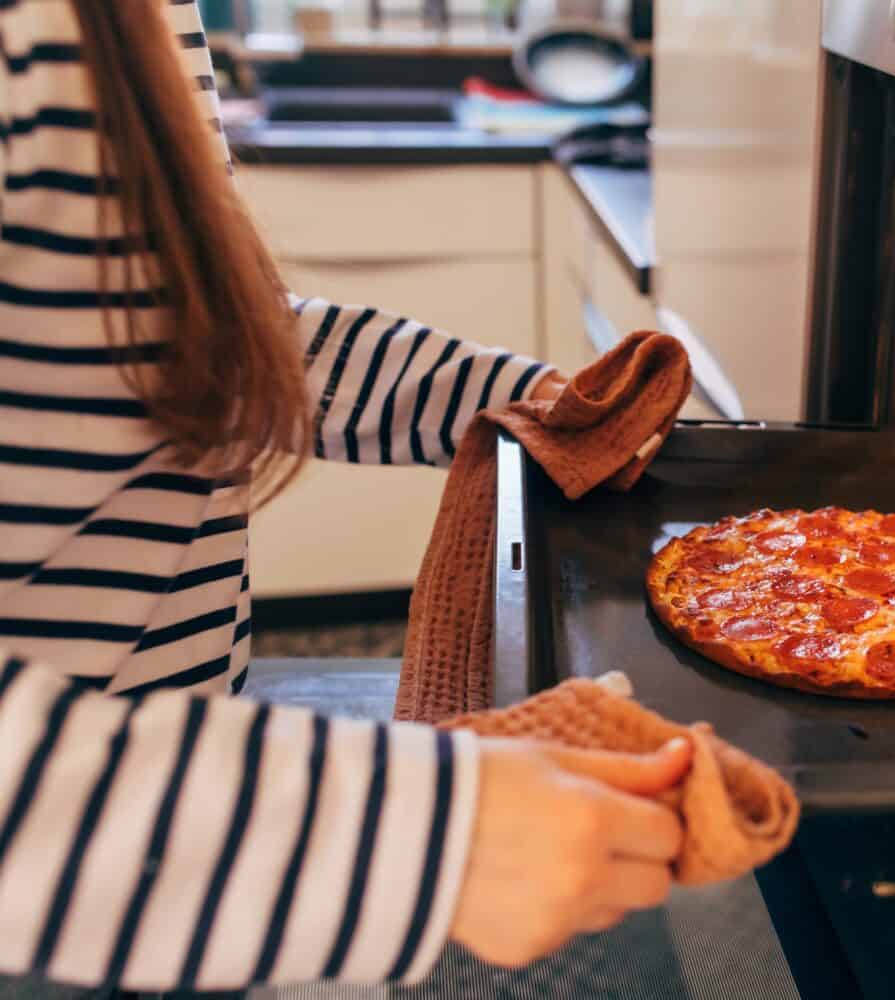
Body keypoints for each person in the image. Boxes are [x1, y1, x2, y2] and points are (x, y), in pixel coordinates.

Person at [0, 1, 691, 993]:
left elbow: (182, 333)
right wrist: (388, 837)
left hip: (164, 774)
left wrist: (532, 406)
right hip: (56, 884)